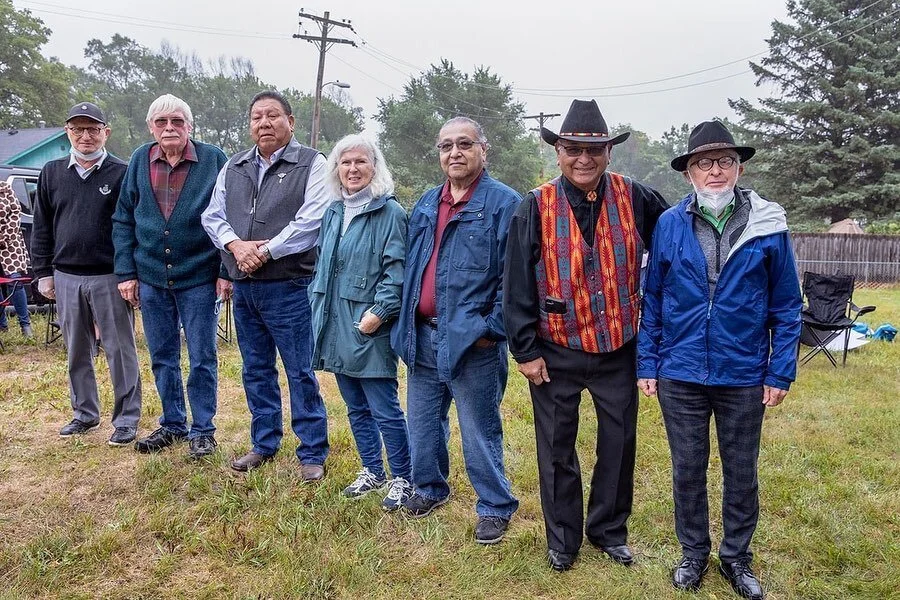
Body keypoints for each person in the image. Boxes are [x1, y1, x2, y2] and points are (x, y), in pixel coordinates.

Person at [637, 120, 802, 599]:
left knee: (740, 469)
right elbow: (654, 298)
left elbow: (787, 305)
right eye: (703, 163)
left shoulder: (768, 225)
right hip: (681, 370)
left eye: (724, 162)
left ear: (739, 167)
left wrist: (779, 371)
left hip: (743, 372)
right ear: (689, 172)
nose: (714, 171)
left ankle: (737, 558)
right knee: (687, 467)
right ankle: (693, 552)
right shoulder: (669, 225)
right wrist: (648, 362)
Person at [504, 99, 668, 571]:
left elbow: (675, 247)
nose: (583, 159)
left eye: (593, 151)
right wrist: (526, 350)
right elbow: (515, 281)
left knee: (619, 443)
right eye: (572, 149)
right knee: (557, 446)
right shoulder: (533, 205)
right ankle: (563, 539)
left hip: (619, 345)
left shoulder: (637, 197)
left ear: (609, 154)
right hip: (555, 348)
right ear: (558, 152)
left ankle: (608, 530)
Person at [391, 116, 519, 545]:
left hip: (472, 342)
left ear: (484, 149)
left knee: (479, 428)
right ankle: (429, 488)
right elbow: (413, 267)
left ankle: (495, 507)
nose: (455, 153)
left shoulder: (505, 204)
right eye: (446, 146)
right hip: (422, 334)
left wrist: (491, 330)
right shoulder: (428, 202)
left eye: (464, 144)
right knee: (423, 424)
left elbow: (517, 279)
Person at [202, 90, 330, 479]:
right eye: (257, 117)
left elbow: (311, 220)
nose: (264, 123)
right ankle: (264, 443)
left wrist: (266, 251)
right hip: (245, 287)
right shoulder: (234, 166)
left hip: (290, 285)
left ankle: (312, 451)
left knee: (299, 370)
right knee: (256, 368)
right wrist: (236, 245)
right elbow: (212, 215)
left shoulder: (313, 163)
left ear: (290, 121)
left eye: (273, 116)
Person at [112, 94, 229, 459]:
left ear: (189, 126)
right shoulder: (139, 160)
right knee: (162, 354)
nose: (169, 128)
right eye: (161, 122)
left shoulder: (213, 159)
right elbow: (123, 219)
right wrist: (126, 272)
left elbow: (230, 216)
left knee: (201, 356)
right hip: (150, 277)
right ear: (151, 128)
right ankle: (173, 423)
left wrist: (226, 271)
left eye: (177, 121)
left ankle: (203, 429)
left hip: (199, 275)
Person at [310, 134, 413, 510]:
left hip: (369, 325)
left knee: (384, 407)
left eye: (360, 162)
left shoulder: (390, 214)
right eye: (345, 163)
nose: (352, 169)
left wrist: (379, 314)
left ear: (374, 167)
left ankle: (403, 476)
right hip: (334, 323)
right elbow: (323, 264)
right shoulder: (333, 212)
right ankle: (372, 469)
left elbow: (397, 273)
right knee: (354, 405)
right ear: (336, 169)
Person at [31, 102, 142, 445]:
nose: (85, 136)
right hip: (65, 276)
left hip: (109, 275)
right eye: (77, 129)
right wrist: (43, 272)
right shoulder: (51, 172)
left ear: (105, 132)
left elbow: (133, 228)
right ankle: (84, 413)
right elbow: (42, 227)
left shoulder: (122, 172)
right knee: (77, 349)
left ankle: (126, 419)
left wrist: (130, 274)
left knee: (119, 350)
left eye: (93, 129)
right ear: (67, 133)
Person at [0, 181, 33, 338]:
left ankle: (25, 326)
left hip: (10, 246)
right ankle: (2, 325)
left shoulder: (5, 188)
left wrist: (4, 237)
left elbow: (15, 214)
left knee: (15, 283)